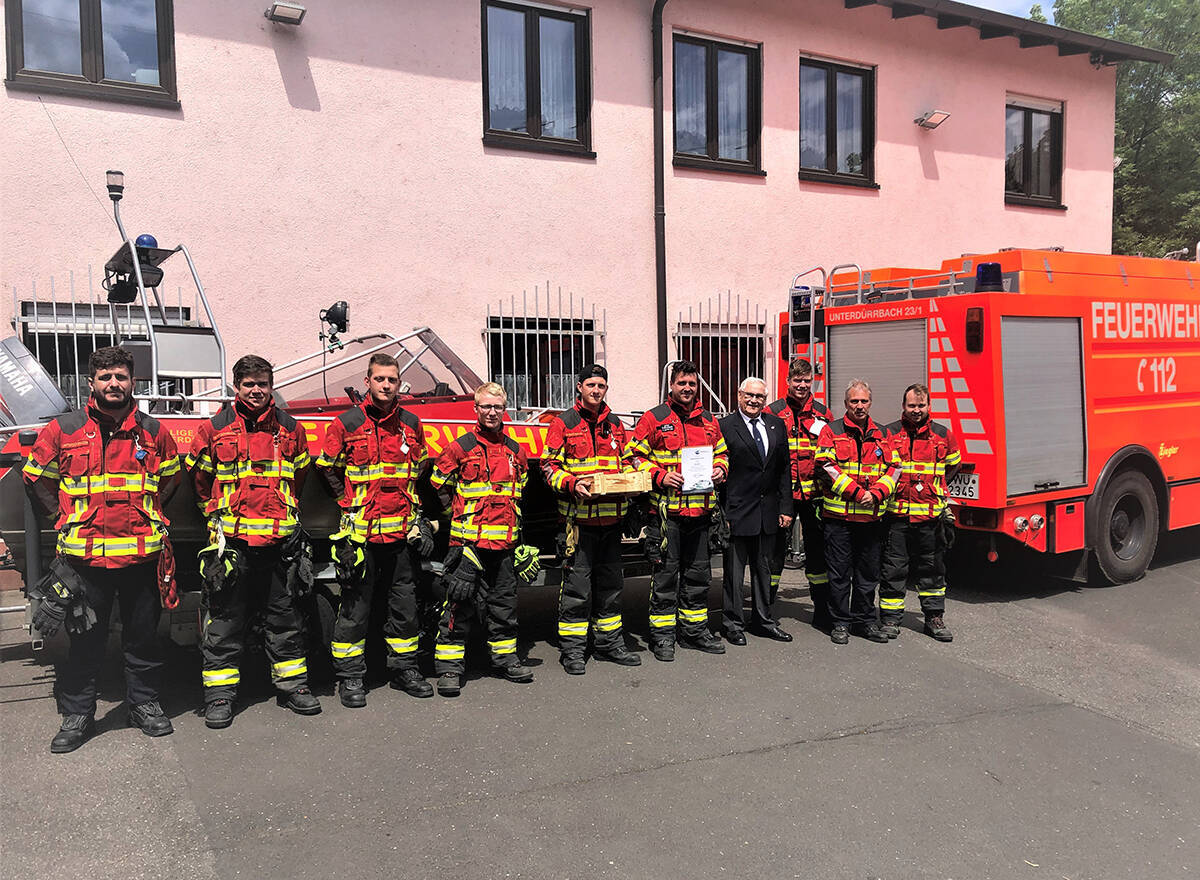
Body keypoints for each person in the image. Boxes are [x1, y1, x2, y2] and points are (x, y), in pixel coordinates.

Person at [22, 346, 180, 753]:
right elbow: (34, 475)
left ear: (133, 382)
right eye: (106, 377)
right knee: (85, 642)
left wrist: (150, 512)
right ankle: (78, 715)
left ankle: (143, 705)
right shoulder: (64, 429)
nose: (114, 383)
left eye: (121, 376)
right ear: (91, 383)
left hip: (140, 557)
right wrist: (62, 516)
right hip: (85, 561)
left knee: (142, 638)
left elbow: (172, 477)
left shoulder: (153, 431)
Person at [187, 354, 320, 728]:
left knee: (286, 619)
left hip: (280, 544)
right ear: (236, 387)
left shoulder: (292, 429)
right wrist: (217, 522)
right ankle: (219, 696)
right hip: (233, 545)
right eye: (249, 384)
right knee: (226, 622)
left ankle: (293, 686)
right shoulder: (213, 430)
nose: (256, 390)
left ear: (271, 385)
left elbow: (300, 479)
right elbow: (200, 483)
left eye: (262, 383)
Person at [317, 352, 435, 707]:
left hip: (401, 533)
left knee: (405, 605)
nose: (386, 385)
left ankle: (404, 670)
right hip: (362, 534)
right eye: (380, 379)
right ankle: (351, 677)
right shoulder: (346, 423)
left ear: (399, 383)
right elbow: (326, 467)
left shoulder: (412, 424)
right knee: (355, 606)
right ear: (368, 382)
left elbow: (422, 468)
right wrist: (347, 502)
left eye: (392, 380)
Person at [429, 382, 533, 696]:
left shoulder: (517, 451)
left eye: (497, 407)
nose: (491, 412)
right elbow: (438, 484)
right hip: (467, 546)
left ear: (505, 410)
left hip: (503, 545)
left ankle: (505, 659)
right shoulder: (460, 447)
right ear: (476, 409)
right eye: (485, 406)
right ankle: (449, 669)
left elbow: (520, 491)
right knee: (458, 604)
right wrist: (456, 515)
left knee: (504, 605)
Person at [542, 364, 642, 674]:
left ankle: (609, 644)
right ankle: (573, 651)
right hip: (579, 525)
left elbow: (628, 460)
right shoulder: (563, 423)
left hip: (612, 524)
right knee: (577, 590)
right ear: (579, 388)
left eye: (601, 386)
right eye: (591, 385)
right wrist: (572, 484)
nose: (596, 391)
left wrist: (634, 477)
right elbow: (549, 468)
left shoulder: (615, 424)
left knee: (612, 587)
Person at [627, 360, 729, 661]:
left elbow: (722, 453)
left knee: (699, 578)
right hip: (666, 515)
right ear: (672, 385)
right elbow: (632, 456)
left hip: (701, 515)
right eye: (682, 383)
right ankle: (662, 637)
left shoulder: (709, 420)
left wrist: (721, 469)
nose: (687, 388)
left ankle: (695, 633)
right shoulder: (654, 418)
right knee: (666, 578)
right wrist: (660, 476)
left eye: (692, 384)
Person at [814, 379, 900, 645]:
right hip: (839, 519)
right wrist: (856, 493)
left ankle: (864, 621)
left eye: (863, 401)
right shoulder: (831, 430)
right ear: (846, 404)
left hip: (871, 518)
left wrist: (874, 495)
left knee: (868, 574)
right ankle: (840, 623)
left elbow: (895, 469)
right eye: (854, 401)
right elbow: (825, 466)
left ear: (870, 403)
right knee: (839, 574)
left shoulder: (883, 434)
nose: (859, 406)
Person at [880, 384, 961, 642]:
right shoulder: (889, 433)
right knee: (894, 569)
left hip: (930, 516)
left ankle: (934, 618)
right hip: (897, 515)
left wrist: (934, 491)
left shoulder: (943, 435)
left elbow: (953, 465)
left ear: (929, 406)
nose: (916, 411)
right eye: (911, 406)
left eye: (921, 406)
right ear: (903, 406)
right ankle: (891, 619)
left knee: (933, 570)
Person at [717, 377, 794, 645]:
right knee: (735, 574)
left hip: (767, 512)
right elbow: (720, 472)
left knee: (764, 571)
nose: (754, 400)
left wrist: (786, 507)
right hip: (736, 512)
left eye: (760, 397)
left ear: (766, 399)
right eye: (749, 395)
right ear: (739, 395)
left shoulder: (776, 425)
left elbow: (783, 470)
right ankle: (733, 623)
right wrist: (723, 514)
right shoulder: (725, 426)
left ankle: (763, 620)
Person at [767, 357, 833, 631]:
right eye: (797, 381)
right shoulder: (773, 412)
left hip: (815, 495)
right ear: (788, 382)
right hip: (783, 495)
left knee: (818, 554)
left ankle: (822, 611)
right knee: (773, 552)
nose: (802, 385)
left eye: (807, 380)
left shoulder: (823, 413)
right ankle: (765, 609)